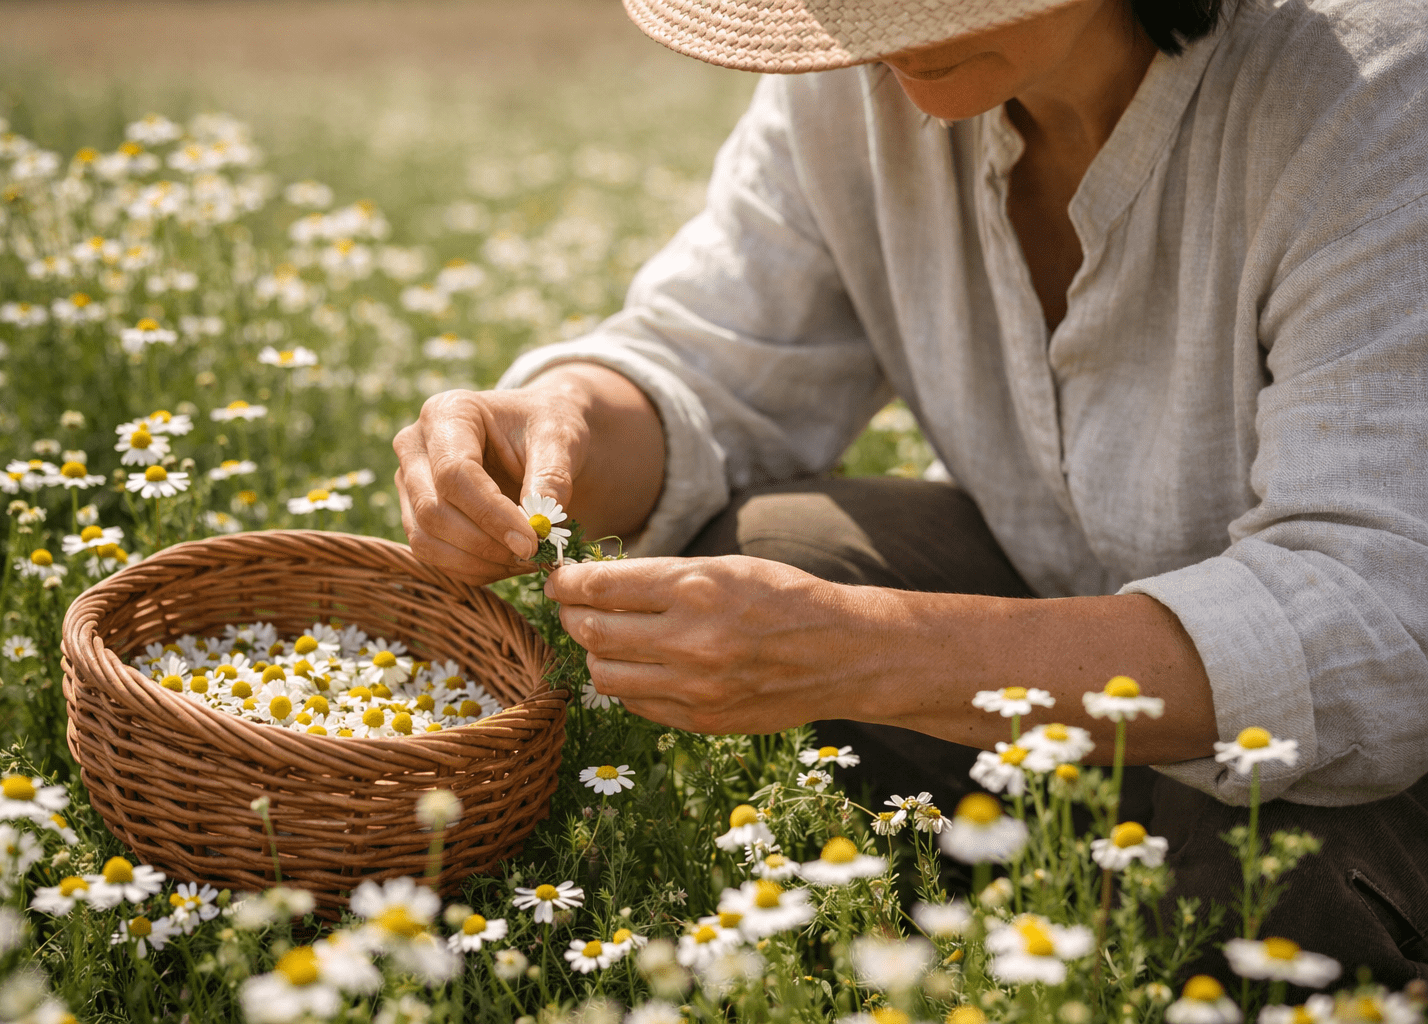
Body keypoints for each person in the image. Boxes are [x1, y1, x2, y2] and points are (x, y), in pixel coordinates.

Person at [392, 0, 1428, 987]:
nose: (877, 36)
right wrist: (553, 421)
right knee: (779, 544)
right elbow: (715, 365)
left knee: (1265, 869)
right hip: (1066, 656)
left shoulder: (1373, 87)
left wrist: (868, 652)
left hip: (1379, 758)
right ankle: (1034, 884)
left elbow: (1376, 621)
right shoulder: (850, 78)